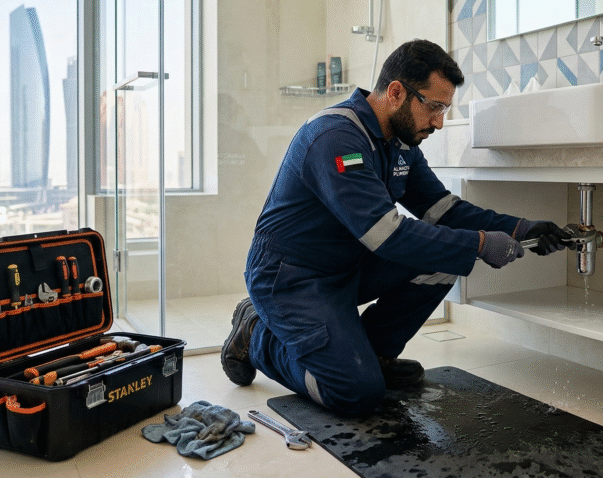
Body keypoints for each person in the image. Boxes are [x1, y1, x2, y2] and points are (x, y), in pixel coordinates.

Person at [222, 39, 571, 416]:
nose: (439, 121)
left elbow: (444, 211)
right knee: (354, 394)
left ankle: (374, 356)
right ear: (396, 92)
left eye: (444, 109)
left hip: (346, 269)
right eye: (434, 106)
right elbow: (386, 234)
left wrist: (521, 228)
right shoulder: (336, 138)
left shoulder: (400, 143)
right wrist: (481, 243)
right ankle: (255, 334)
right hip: (292, 279)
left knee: (445, 258)